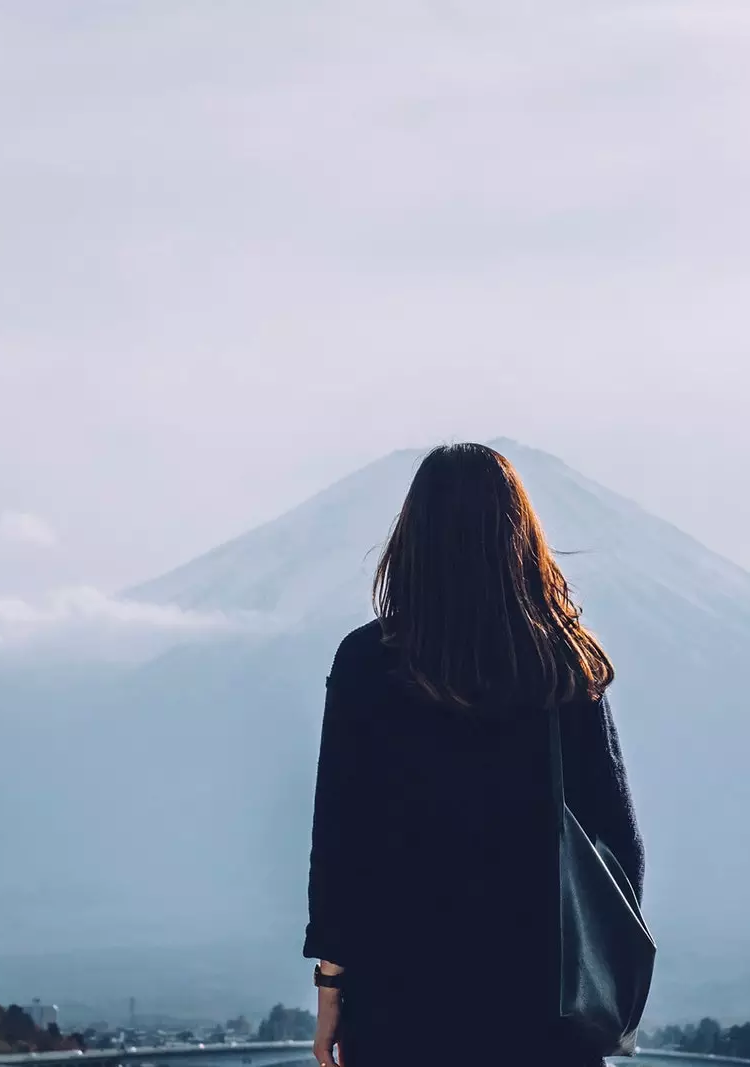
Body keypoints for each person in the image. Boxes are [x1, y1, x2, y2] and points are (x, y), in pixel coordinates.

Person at [304, 442, 645, 1067]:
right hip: (545, 1004)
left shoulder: (367, 662)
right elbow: (617, 842)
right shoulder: (562, 663)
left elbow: (340, 843)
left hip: (400, 998)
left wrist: (331, 991)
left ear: (414, 537)